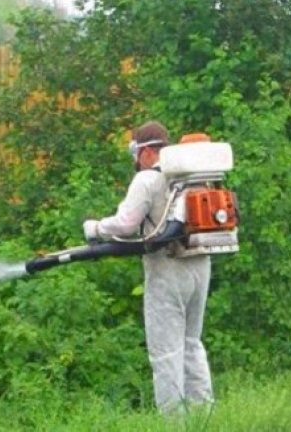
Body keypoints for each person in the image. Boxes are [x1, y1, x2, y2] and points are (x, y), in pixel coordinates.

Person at [82, 121, 213, 413]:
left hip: (167, 268)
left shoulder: (147, 180)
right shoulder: (191, 176)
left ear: (143, 152)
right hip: (200, 265)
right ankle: (204, 416)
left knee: (166, 354)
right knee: (192, 344)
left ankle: (172, 424)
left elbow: (126, 224)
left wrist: (96, 227)